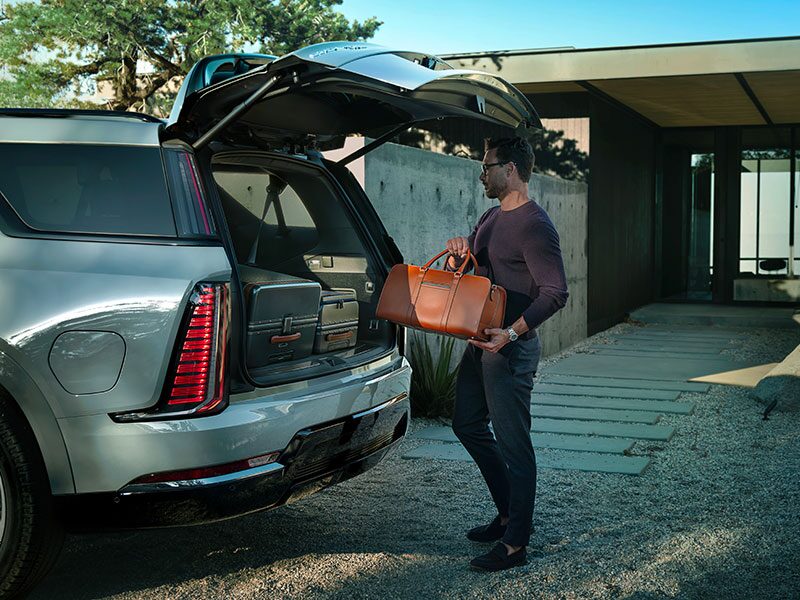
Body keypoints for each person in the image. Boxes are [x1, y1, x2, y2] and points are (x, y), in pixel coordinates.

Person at [445, 136, 568, 572]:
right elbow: (473, 274)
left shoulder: (535, 225)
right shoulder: (491, 217)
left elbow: (556, 293)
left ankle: (516, 545)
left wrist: (511, 335)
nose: (482, 175)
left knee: (515, 446)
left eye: (487, 166)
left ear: (511, 169)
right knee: (466, 425)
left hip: (509, 350)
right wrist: (462, 249)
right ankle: (507, 515)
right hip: (480, 343)